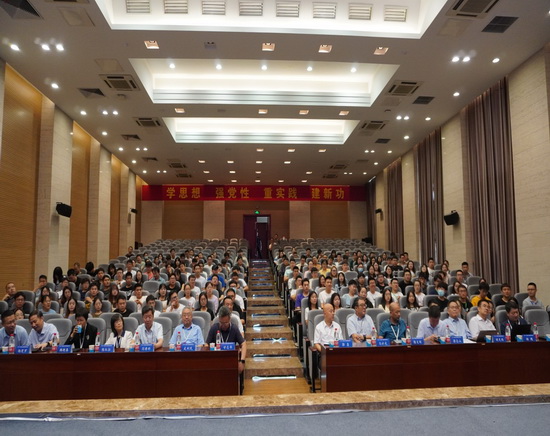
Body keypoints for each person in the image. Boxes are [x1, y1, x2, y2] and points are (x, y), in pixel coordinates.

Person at [206, 306, 247, 373]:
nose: (223, 325)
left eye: (225, 323)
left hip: (230, 360)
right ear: (219, 319)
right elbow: (206, 344)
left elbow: (243, 344)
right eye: (221, 323)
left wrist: (242, 361)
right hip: (216, 360)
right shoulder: (214, 328)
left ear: (229, 319)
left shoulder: (234, 328)